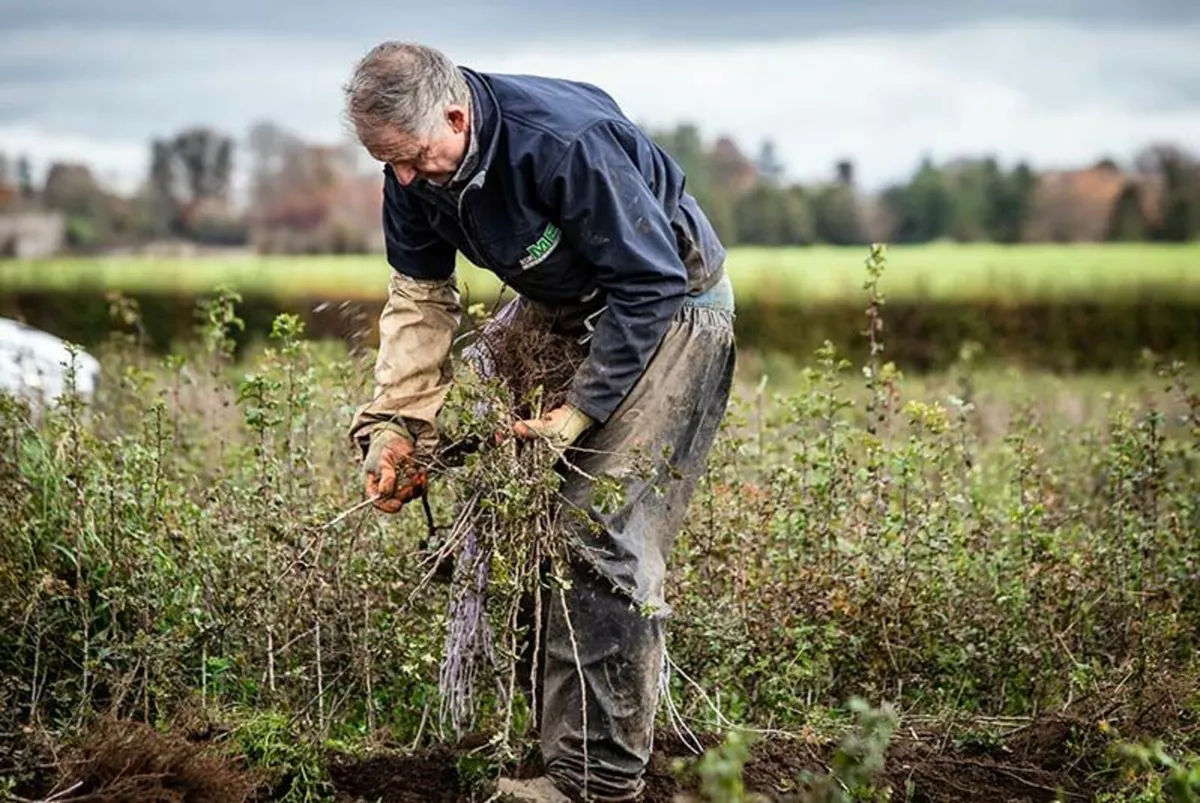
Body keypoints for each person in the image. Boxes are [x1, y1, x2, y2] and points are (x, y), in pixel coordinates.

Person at [343, 41, 736, 802]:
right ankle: (543, 739)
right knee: (488, 478)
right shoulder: (414, 170)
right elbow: (421, 299)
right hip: (560, 307)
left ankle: (595, 780)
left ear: (456, 115)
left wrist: (579, 410)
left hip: (671, 310)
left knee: (599, 532)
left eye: (414, 158)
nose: (402, 179)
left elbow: (648, 281)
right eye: (385, 163)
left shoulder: (562, 144)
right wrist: (398, 426)